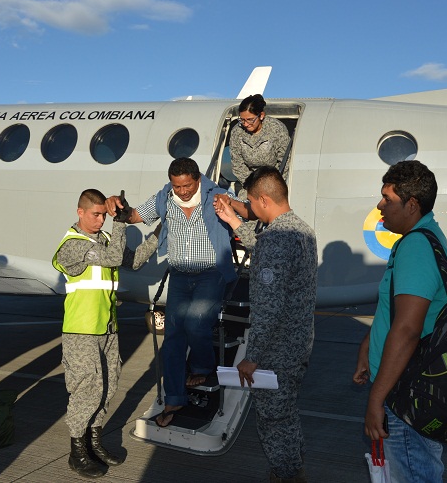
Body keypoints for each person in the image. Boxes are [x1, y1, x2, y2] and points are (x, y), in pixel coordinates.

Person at [105, 158, 236, 428]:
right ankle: (174, 397)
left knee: (197, 323)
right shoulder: (164, 197)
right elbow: (135, 216)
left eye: (187, 185)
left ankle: (201, 367)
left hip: (210, 273)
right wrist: (118, 206)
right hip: (179, 275)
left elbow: (243, 214)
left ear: (197, 179)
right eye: (177, 186)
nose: (183, 191)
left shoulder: (218, 195)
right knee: (173, 336)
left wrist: (237, 208)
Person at [352, 161, 447, 482]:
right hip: (409, 381)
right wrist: (369, 348)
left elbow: (409, 330)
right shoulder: (421, 237)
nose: (380, 206)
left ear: (411, 205)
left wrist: (376, 399)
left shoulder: (416, 246)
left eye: (387, 199)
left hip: (405, 393)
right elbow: (396, 312)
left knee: (413, 475)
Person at [215, 166, 317, 483]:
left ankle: (286, 476)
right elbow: (265, 248)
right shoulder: (301, 230)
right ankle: (293, 468)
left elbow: (269, 307)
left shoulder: (276, 240)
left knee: (273, 419)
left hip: (276, 351)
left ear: (262, 199)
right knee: (286, 413)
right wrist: (234, 221)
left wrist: (253, 356)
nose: (250, 209)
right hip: (298, 343)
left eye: (250, 203)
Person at [52, 188, 159, 478]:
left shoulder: (105, 241)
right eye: (95, 215)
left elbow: (132, 261)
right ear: (80, 212)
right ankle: (77, 451)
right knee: (86, 390)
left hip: (107, 327)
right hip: (81, 330)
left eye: (103, 215)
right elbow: (113, 259)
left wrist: (161, 231)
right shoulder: (72, 245)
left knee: (108, 386)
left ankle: (94, 442)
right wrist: (121, 220)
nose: (100, 220)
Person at [230, 94, 291, 198]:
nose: (245, 124)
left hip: (274, 182)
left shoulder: (277, 129)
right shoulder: (237, 132)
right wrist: (252, 185)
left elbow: (284, 161)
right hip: (249, 183)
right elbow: (237, 164)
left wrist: (270, 184)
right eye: (242, 120)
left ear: (261, 115)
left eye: (250, 119)